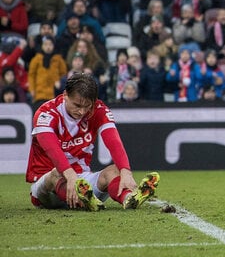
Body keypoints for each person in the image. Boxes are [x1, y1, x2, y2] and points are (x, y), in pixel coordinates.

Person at [26, 73, 160, 211]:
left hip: (82, 183)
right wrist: (70, 176)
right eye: (77, 105)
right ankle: (83, 199)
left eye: (87, 106)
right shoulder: (46, 113)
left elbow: (113, 142)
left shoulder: (98, 110)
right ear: (65, 95)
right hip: (46, 189)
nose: (82, 111)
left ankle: (129, 198)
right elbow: (52, 149)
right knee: (56, 173)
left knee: (114, 170)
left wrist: (126, 172)